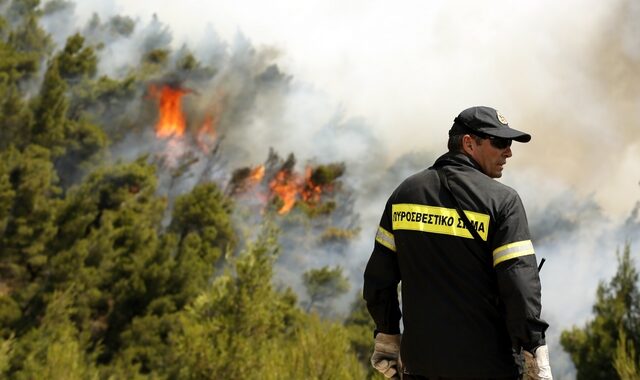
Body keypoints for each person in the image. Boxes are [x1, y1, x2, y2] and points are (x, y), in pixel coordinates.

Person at [363, 106, 552, 380]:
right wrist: (535, 350)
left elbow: (378, 282)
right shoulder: (503, 202)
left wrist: (387, 335)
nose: (508, 152)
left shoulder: (404, 193)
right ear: (468, 143)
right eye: (499, 142)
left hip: (419, 367)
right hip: (489, 367)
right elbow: (520, 287)